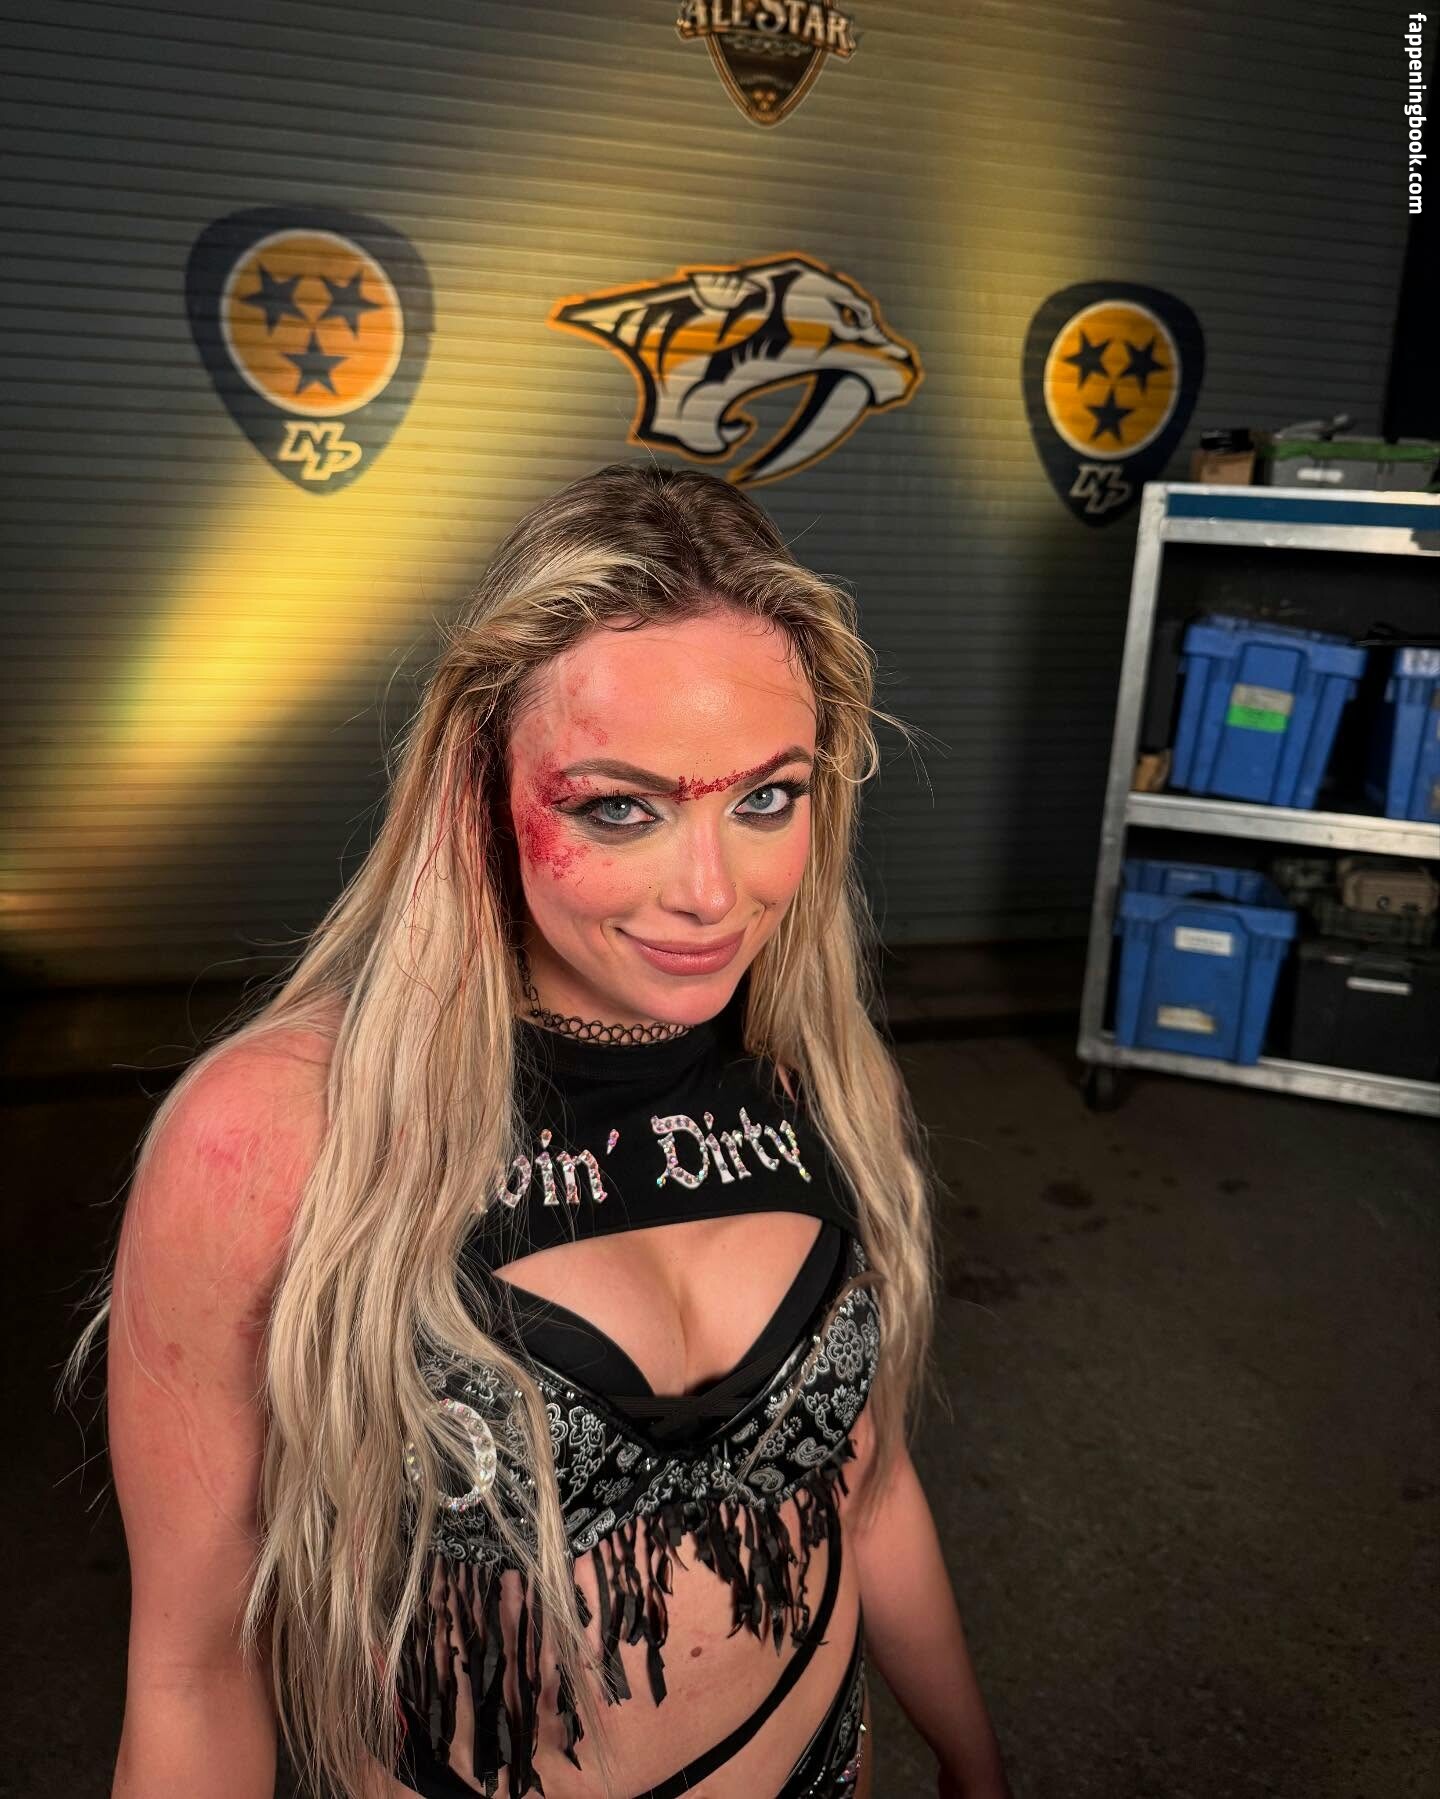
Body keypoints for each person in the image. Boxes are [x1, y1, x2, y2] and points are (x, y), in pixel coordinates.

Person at [60, 463, 1013, 1799]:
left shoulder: (811, 1071)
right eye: (621, 807)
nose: (711, 893)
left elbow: (870, 1491)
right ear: (481, 787)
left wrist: (974, 1764)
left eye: (765, 799)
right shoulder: (278, 1133)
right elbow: (190, 1672)